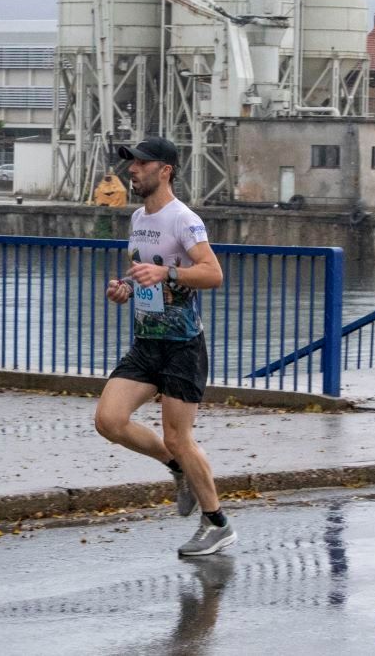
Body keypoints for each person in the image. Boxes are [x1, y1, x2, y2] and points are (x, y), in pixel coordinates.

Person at [94, 136, 237, 557]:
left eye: (141, 164)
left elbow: (213, 274)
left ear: (165, 170)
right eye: (131, 163)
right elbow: (144, 272)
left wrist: (169, 274)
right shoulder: (138, 217)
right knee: (109, 420)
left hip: (182, 346)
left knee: (178, 436)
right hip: (146, 342)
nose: (132, 170)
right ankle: (176, 469)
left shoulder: (183, 219)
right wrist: (124, 288)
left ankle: (217, 524)